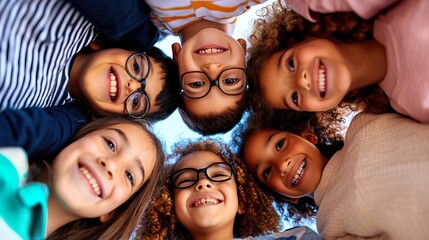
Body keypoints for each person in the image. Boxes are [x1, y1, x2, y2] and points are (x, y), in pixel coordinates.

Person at [240, 111, 429, 239]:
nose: (282, 165)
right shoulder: (330, 229)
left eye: (280, 144)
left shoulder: (363, 124)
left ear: (307, 137)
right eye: (267, 171)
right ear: (286, 198)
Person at [246, 0, 429, 123]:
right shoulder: (409, 105)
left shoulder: (382, 9)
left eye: (290, 64)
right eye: (294, 98)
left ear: (305, 38)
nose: (301, 81)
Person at [0, 0, 180, 121]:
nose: (133, 86)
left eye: (136, 102)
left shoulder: (37, 109)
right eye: (136, 66)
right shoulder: (87, 22)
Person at [0, 116, 166, 240]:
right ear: (78, 137)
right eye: (110, 144)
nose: (111, 165)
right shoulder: (8, 163)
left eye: (129, 176)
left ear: (112, 212)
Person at [138, 139, 320, 239]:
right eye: (186, 180)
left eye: (218, 175)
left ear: (242, 201)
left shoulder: (297, 237)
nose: (202, 183)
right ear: (170, 208)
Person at [143, 0, 269, 135]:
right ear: (243, 50)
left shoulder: (147, 21)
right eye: (230, 81)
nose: (212, 68)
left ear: (176, 57)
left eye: (196, 84)